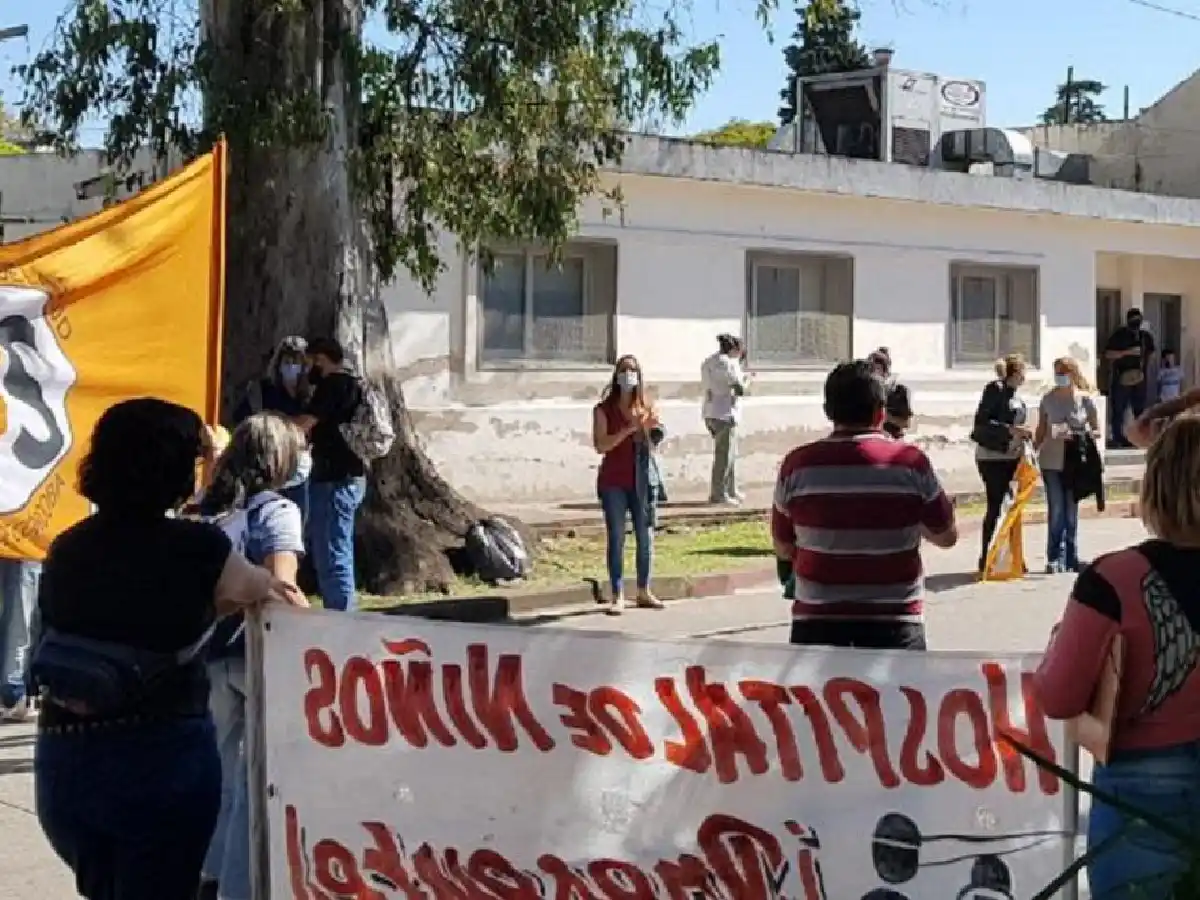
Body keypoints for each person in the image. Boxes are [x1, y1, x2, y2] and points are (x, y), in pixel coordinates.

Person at [32, 398, 306, 900]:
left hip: (67, 759)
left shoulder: (67, 547)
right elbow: (261, 589)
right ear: (178, 470)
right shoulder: (195, 549)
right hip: (158, 757)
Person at [1033, 415, 1200, 899]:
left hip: (1140, 794)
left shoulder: (1114, 579)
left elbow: (1059, 697)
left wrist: (1058, 643)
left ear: (1156, 485)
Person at [771, 360, 958, 650]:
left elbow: (783, 546)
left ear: (828, 411)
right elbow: (946, 537)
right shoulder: (910, 463)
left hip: (818, 622)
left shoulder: (797, 465)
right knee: (898, 696)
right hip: (896, 622)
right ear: (881, 412)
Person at [198, 413, 307, 900]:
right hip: (256, 654)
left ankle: (207, 874)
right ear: (281, 459)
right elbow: (281, 588)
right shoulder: (276, 511)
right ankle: (239, 887)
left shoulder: (205, 509)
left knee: (214, 774)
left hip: (205, 653)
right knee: (254, 784)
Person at [296, 337, 366, 612]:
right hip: (348, 478)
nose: (305, 369)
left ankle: (341, 620)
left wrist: (270, 425)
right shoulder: (353, 383)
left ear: (320, 359)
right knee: (334, 549)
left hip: (334, 480)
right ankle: (340, 612)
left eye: (308, 362)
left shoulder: (333, 385)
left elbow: (305, 424)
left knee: (332, 554)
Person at [592, 355, 665, 615]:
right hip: (613, 480)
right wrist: (627, 429)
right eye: (624, 371)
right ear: (616, 376)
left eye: (633, 371)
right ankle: (617, 593)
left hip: (641, 480)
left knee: (645, 537)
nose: (628, 376)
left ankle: (644, 589)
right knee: (617, 536)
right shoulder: (603, 410)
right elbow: (600, 445)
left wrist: (648, 429)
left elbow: (654, 442)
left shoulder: (645, 405)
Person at [233, 335, 313, 523]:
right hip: (267, 466)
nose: (291, 367)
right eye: (287, 361)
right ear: (278, 363)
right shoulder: (261, 391)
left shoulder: (310, 396)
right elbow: (242, 420)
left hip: (299, 468)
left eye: (297, 362)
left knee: (298, 521)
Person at [1034, 357, 1100, 575]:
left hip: (1075, 463)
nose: (1059, 376)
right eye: (1056, 371)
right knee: (1057, 510)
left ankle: (1071, 557)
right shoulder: (1048, 399)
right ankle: (1054, 557)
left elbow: (1096, 429)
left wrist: (1080, 433)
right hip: (1051, 461)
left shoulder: (1085, 400)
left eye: (1063, 372)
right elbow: (1041, 430)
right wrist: (1032, 451)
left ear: (1072, 374)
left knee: (1071, 512)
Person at [970, 355, 1032, 574]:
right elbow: (983, 421)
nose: (1025, 376)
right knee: (996, 505)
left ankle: (1012, 557)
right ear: (1015, 373)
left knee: (1012, 507)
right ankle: (988, 556)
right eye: (1023, 371)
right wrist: (1011, 430)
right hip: (992, 458)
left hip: (1012, 456)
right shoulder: (995, 390)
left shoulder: (1016, 395)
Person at [701, 334, 749, 505]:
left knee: (729, 454)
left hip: (711, 412)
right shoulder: (727, 364)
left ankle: (731, 489)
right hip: (725, 413)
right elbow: (739, 388)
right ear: (734, 349)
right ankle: (719, 493)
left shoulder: (709, 362)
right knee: (725, 456)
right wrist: (747, 380)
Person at [1105, 307, 1155, 448]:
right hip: (1121, 378)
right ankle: (1117, 438)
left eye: (1138, 319)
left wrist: (1143, 368)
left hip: (1139, 378)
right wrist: (1126, 353)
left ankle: (1141, 438)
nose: (1136, 322)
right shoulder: (1119, 335)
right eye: (1133, 319)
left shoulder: (1145, 336)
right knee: (1118, 410)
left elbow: (1151, 354)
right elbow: (1108, 354)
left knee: (1140, 410)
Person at [0, 558, 39, 722]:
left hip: (30, 550)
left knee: (24, 623)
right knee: (20, 623)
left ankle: (17, 694)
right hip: (22, 550)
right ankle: (13, 697)